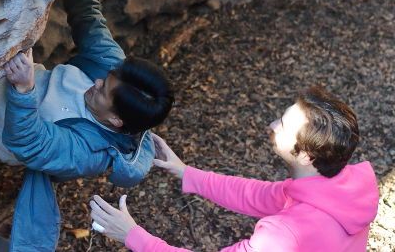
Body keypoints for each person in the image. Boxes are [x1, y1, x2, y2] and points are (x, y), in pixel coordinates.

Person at [0, 0, 174, 251]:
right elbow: (89, 19)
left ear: (116, 121)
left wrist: (24, 90)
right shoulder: (115, 72)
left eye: (103, 90)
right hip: (15, 77)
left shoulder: (90, 154)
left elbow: (29, 143)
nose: (96, 83)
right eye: (106, 78)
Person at [89, 86, 379, 251]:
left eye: (284, 125)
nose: (272, 126)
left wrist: (132, 235)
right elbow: (260, 195)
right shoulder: (345, 187)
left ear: (305, 156)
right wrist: (187, 173)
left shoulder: (283, 234)